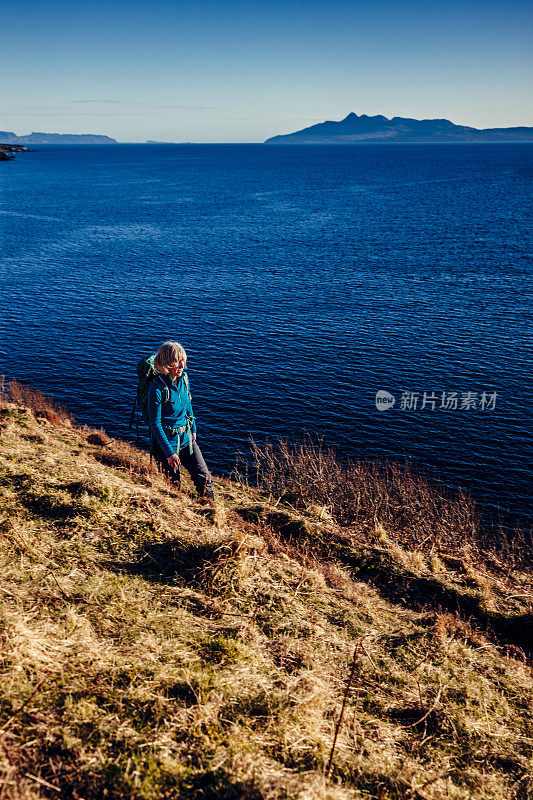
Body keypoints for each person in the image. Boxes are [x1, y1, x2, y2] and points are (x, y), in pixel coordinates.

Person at [148, 341, 215, 501]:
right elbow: (155, 425)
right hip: (167, 446)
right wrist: (169, 453)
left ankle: (211, 513)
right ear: (165, 363)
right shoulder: (156, 389)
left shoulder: (184, 379)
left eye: (183, 360)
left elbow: (188, 404)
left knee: (205, 478)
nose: (182, 365)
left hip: (186, 439)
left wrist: (193, 429)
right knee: (172, 488)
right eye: (177, 361)